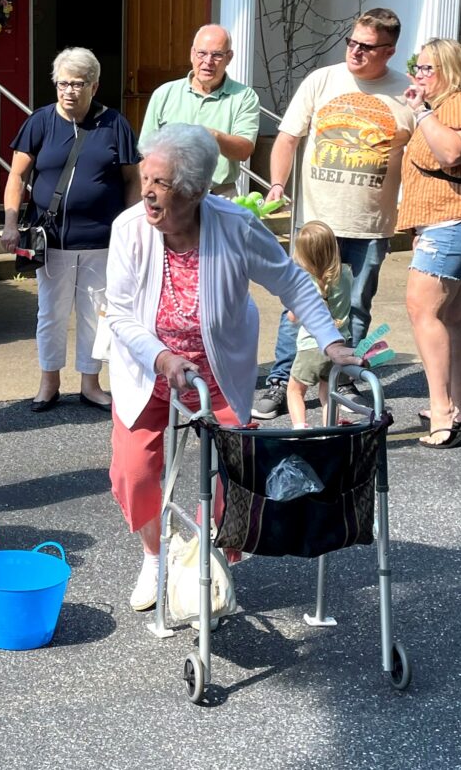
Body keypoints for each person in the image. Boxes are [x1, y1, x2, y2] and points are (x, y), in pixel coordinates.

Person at [105, 124, 361, 612]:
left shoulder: (236, 226)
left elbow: (292, 282)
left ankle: (208, 555)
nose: (148, 193)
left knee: (236, 475)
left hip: (217, 372)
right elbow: (118, 313)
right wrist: (161, 356)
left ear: (196, 192)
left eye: (162, 184)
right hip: (150, 369)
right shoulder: (129, 228)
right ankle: (155, 556)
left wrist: (330, 340)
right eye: (146, 178)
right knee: (134, 473)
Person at [253, 7, 413, 419]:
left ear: (389, 51)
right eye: (352, 42)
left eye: (367, 46)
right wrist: (276, 185)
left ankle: (342, 378)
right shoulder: (322, 79)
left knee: (355, 306)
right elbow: (287, 137)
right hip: (316, 222)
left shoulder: (407, 93)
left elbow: (419, 155)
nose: (355, 51)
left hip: (370, 224)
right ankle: (283, 380)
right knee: (300, 301)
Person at [0, 47, 140, 412]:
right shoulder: (40, 122)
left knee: (96, 312)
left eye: (78, 84)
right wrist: (10, 224)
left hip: (101, 239)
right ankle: (49, 382)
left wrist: (132, 228)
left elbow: (132, 179)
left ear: (94, 86)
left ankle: (91, 383)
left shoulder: (115, 124)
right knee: (51, 313)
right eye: (63, 83)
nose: (69, 91)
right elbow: (17, 176)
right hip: (52, 240)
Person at [399, 38, 461, 449]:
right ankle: (456, 405)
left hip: (448, 222)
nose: (419, 75)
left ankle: (442, 411)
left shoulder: (453, 103)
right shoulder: (443, 105)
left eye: (427, 69)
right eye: (417, 68)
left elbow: (452, 153)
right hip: (444, 223)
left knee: (422, 310)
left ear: (448, 70)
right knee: (452, 317)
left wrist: (422, 112)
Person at [140, 24, 260, 196]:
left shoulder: (244, 96)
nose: (208, 61)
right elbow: (146, 151)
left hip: (219, 194)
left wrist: (212, 136)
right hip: (169, 194)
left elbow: (244, 150)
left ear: (229, 58)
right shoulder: (164, 93)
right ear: (192, 54)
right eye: (202, 53)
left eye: (217, 55)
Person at [285, 221, 353, 429]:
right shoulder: (346, 273)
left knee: (295, 391)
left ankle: (300, 427)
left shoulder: (304, 282)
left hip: (311, 345)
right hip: (339, 343)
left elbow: (293, 317)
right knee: (328, 392)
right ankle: (329, 429)